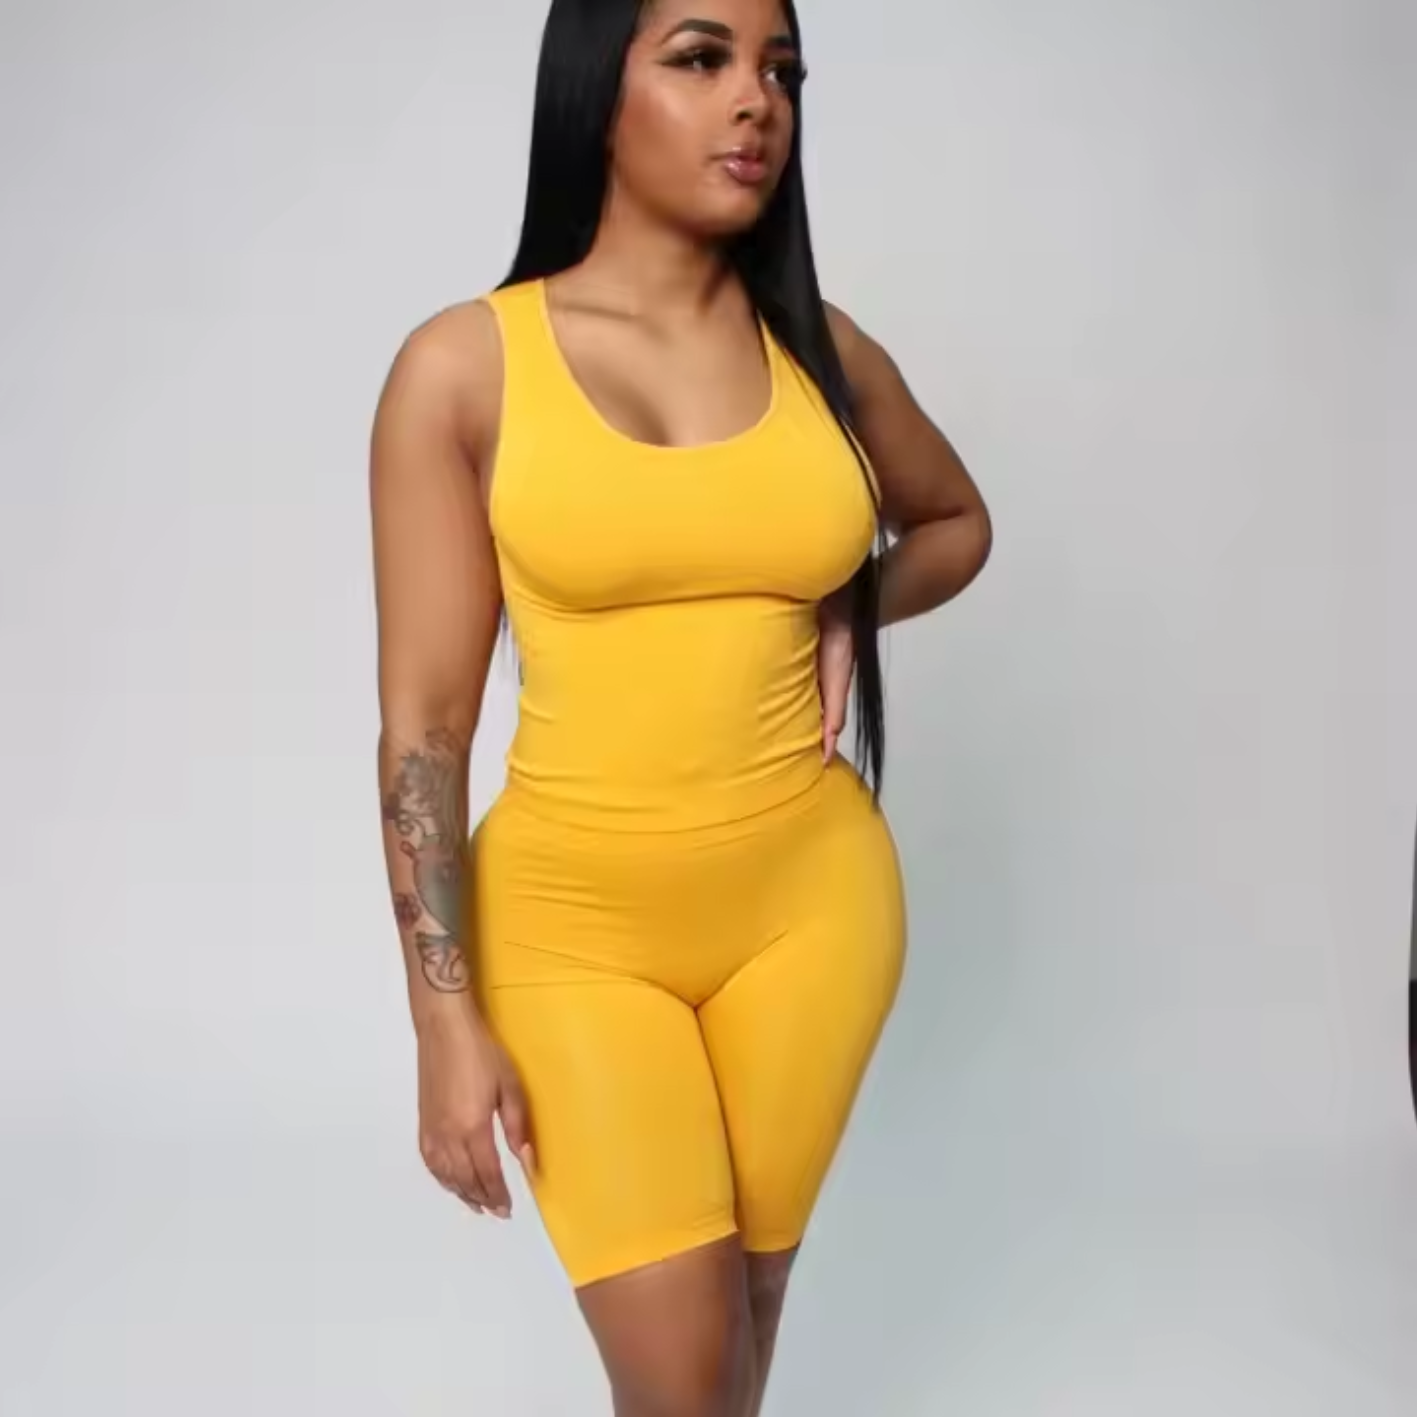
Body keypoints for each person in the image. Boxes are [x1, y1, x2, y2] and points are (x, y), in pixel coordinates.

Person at [369, 1, 991, 1412]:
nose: (756, 100)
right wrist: (442, 1022)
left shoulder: (821, 351)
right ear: (599, 89)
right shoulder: (463, 370)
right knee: (682, 1371)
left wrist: (848, 606)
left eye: (780, 69)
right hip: (572, 933)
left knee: (739, 1336)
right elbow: (425, 732)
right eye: (703, 59)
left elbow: (956, 524)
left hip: (810, 911)